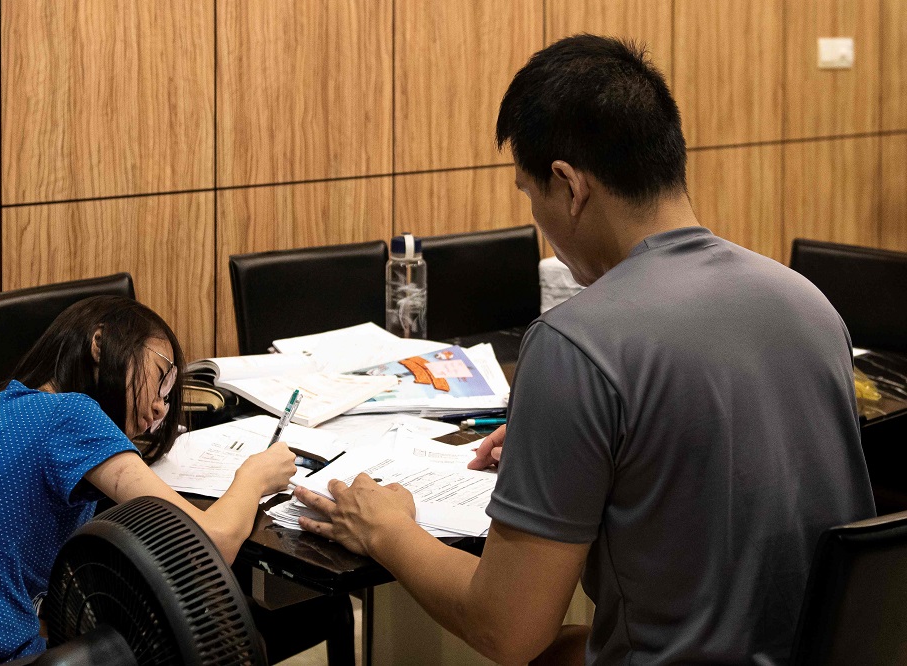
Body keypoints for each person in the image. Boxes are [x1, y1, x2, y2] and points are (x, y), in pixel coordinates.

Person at [293, 35, 876, 665]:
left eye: (530, 194)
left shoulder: (577, 341)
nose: (539, 217)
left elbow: (507, 630)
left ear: (570, 186)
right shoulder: (809, 303)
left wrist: (385, 530)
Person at [0, 295, 297, 665]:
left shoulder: (7, 409)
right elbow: (210, 545)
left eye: (169, 398)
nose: (159, 408)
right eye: (160, 379)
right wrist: (255, 476)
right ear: (100, 344)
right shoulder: (71, 415)